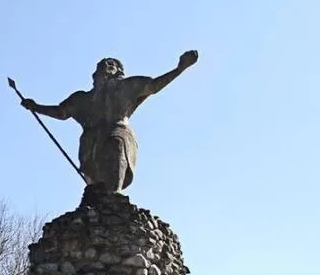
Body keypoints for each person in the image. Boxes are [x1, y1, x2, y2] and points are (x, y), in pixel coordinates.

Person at [19, 51, 198, 193]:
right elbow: (60, 112)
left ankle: (115, 196)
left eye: (111, 64)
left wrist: (179, 69)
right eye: (102, 65)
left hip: (118, 130)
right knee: (94, 181)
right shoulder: (82, 98)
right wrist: (36, 107)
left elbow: (154, 86)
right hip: (91, 139)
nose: (106, 66)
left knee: (116, 145)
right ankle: (97, 199)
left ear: (119, 71)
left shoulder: (128, 86)